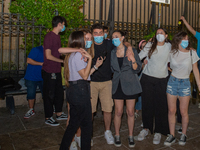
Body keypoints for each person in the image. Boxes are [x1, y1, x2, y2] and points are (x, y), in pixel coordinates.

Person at [60, 29, 103, 150]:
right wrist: (89, 59)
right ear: (80, 40)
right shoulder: (79, 55)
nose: (89, 41)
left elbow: (85, 74)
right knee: (86, 125)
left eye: (90, 39)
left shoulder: (73, 54)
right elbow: (84, 76)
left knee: (73, 124)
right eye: (86, 39)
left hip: (74, 90)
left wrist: (95, 66)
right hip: (80, 91)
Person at [90, 23, 133, 145]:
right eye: (95, 33)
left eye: (100, 33)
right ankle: (89, 133)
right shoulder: (89, 46)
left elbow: (123, 44)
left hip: (107, 82)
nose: (98, 35)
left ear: (104, 34)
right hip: (91, 82)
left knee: (108, 109)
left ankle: (107, 131)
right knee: (91, 110)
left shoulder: (109, 44)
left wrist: (129, 47)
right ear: (92, 34)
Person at [164, 31, 200, 146]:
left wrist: (199, 86)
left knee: (184, 111)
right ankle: (172, 135)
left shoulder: (191, 53)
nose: (186, 41)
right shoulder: (172, 52)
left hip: (185, 83)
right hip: (172, 82)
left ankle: (183, 134)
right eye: (184, 39)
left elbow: (195, 70)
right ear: (178, 40)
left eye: (187, 39)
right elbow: (165, 64)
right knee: (171, 111)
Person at [136, 28, 171, 144]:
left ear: (166, 35)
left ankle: (158, 131)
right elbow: (139, 57)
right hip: (147, 78)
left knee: (161, 106)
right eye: (157, 33)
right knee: (147, 104)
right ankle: (146, 128)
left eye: (162, 33)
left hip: (162, 80)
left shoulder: (170, 47)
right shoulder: (150, 45)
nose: (159, 35)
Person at [111, 30, 142, 148]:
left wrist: (133, 59)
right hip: (117, 84)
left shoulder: (132, 51)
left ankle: (130, 135)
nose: (114, 38)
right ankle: (117, 135)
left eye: (116, 36)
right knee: (118, 112)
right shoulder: (112, 52)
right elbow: (111, 68)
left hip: (130, 84)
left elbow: (137, 69)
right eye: (113, 37)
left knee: (130, 112)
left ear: (123, 38)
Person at [42, 16, 68, 126]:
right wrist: (62, 61)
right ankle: (48, 117)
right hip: (49, 70)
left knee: (59, 93)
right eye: (63, 25)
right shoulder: (49, 37)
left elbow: (57, 52)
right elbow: (48, 56)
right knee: (49, 95)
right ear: (59, 24)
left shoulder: (57, 37)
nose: (64, 27)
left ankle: (59, 113)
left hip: (56, 70)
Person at [24, 46, 43, 119]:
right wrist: (41, 63)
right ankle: (31, 109)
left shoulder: (50, 51)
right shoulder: (36, 49)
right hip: (31, 77)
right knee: (31, 94)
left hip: (43, 77)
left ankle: (49, 108)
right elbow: (29, 60)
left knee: (47, 93)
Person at [135, 40, 147, 120]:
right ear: (140, 48)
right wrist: (143, 64)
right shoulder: (139, 56)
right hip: (140, 78)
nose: (145, 48)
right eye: (143, 47)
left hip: (148, 79)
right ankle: (136, 111)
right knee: (140, 96)